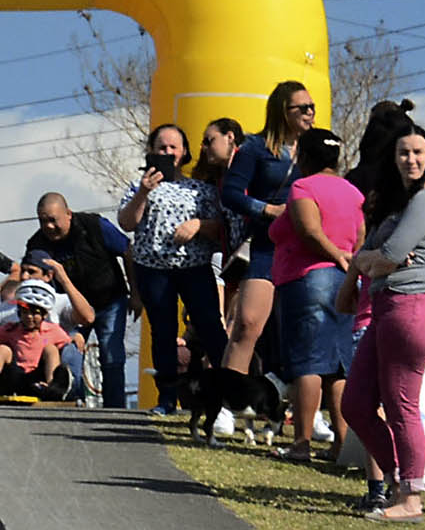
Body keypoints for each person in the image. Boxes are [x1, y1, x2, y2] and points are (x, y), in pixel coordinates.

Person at [344, 121, 425, 522]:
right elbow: (372, 255)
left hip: (412, 308)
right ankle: (396, 479)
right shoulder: (396, 204)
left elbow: (388, 254)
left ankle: (411, 498)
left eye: (419, 152)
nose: (411, 159)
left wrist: (374, 261)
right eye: (404, 152)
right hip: (384, 308)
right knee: (354, 403)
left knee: (401, 404)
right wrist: (373, 260)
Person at [207, 81, 315, 438]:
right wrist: (267, 209)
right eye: (302, 108)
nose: (310, 114)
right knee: (248, 323)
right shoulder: (254, 147)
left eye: (312, 107)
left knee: (303, 332)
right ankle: (224, 405)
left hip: (304, 247)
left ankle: (308, 415)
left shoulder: (314, 148)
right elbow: (233, 194)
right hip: (267, 244)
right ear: (282, 110)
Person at [269, 127, 361, 460]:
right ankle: (341, 442)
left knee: (306, 362)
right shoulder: (353, 191)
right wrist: (347, 261)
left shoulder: (302, 187)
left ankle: (302, 442)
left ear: (303, 156)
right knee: (338, 365)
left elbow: (309, 230)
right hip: (345, 280)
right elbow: (360, 237)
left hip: (308, 280)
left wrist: (333, 254)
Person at [121, 123, 225, 416]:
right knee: (163, 333)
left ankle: (229, 392)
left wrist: (198, 226)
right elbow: (127, 223)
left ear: (185, 152)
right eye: (161, 148)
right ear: (151, 152)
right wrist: (143, 192)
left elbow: (220, 229)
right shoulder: (136, 186)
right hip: (153, 270)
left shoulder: (201, 189)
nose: (167, 152)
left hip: (195, 269)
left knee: (210, 328)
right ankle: (167, 398)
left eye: (173, 148)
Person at [25, 190, 132, 408]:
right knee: (68, 351)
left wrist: (137, 294)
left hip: (109, 300)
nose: (48, 227)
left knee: (111, 356)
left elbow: (129, 251)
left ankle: (115, 410)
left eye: (53, 220)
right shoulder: (37, 244)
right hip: (69, 310)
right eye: (43, 221)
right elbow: (31, 281)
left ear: (69, 214)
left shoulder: (95, 226)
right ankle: (69, 402)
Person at [0, 281, 81, 398]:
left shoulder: (53, 330)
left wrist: (75, 336)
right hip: (15, 375)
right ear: (19, 313)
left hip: (38, 378)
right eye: (25, 312)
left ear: (44, 315)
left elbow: (67, 340)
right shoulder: (11, 329)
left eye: (35, 313)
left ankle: (52, 387)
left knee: (51, 349)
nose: (29, 317)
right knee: (3, 349)